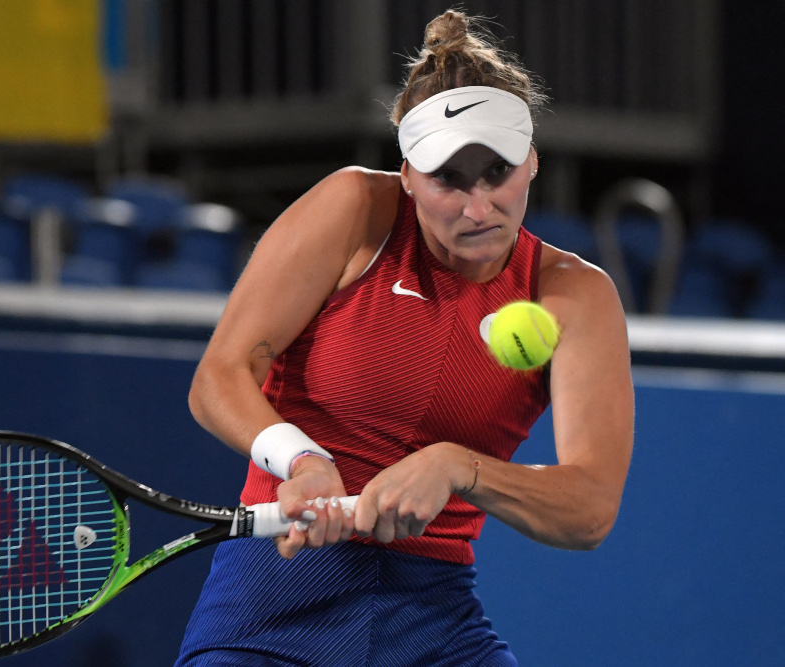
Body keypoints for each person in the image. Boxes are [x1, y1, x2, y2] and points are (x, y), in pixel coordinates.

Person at [176, 8, 633, 666]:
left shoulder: (576, 294)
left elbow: (589, 507)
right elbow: (220, 374)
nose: (479, 208)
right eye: (449, 179)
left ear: (531, 162)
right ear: (410, 175)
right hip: (271, 602)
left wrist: (461, 467)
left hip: (435, 619)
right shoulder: (355, 210)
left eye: (498, 173)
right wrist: (302, 462)